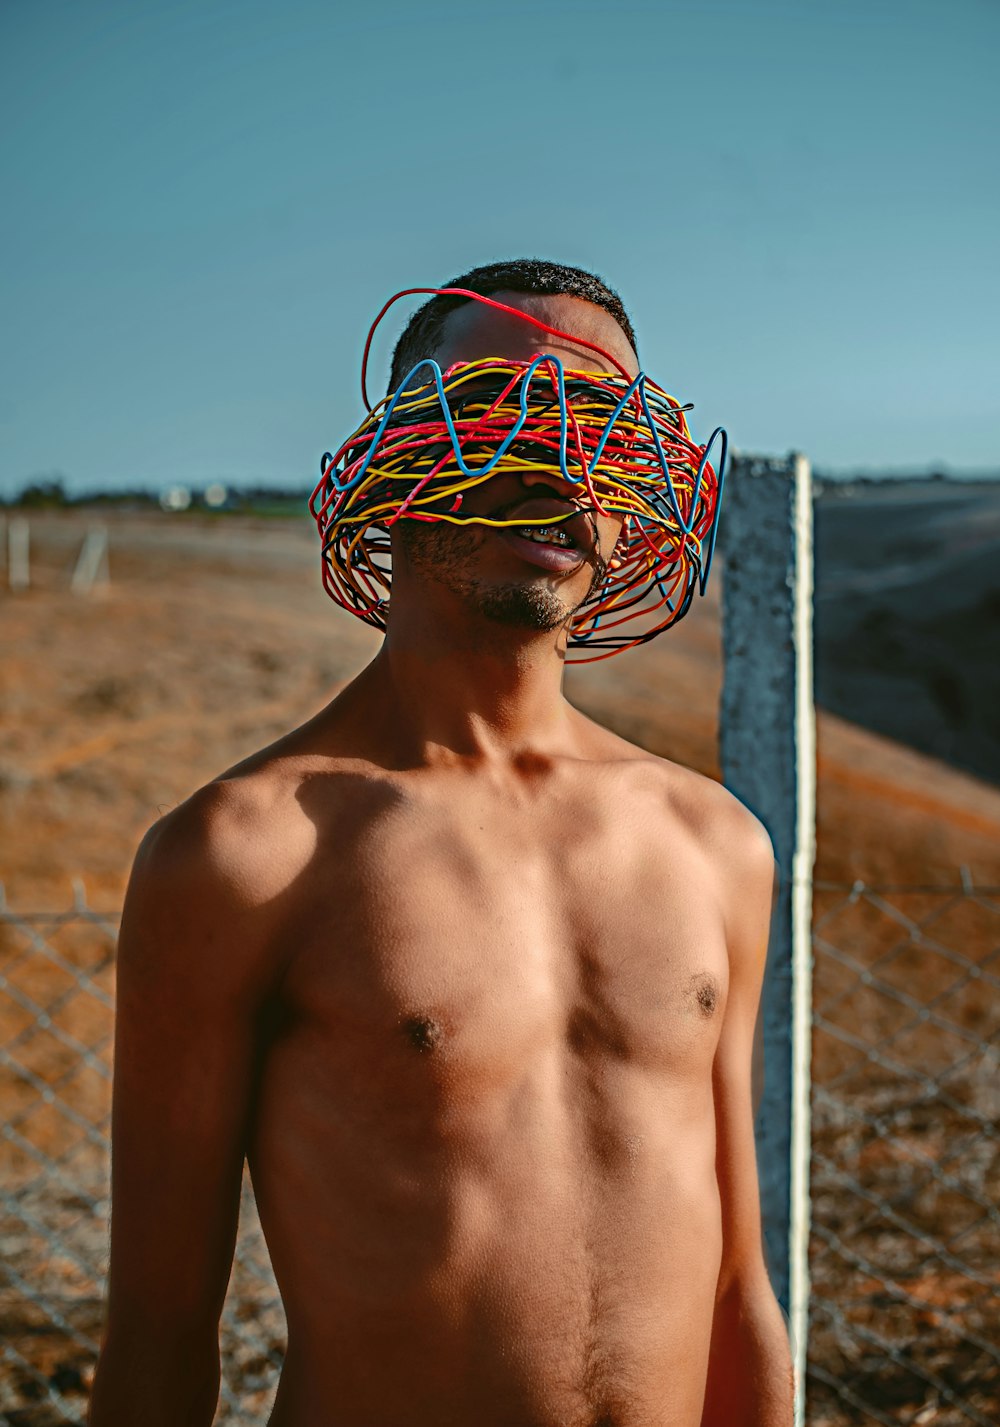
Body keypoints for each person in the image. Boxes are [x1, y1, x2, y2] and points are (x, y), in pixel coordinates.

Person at [88, 259, 794, 1427]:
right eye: (500, 413)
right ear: (401, 453)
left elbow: (736, 1295)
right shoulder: (244, 855)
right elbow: (160, 1335)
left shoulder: (713, 844)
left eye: (602, 428)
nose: (557, 463)